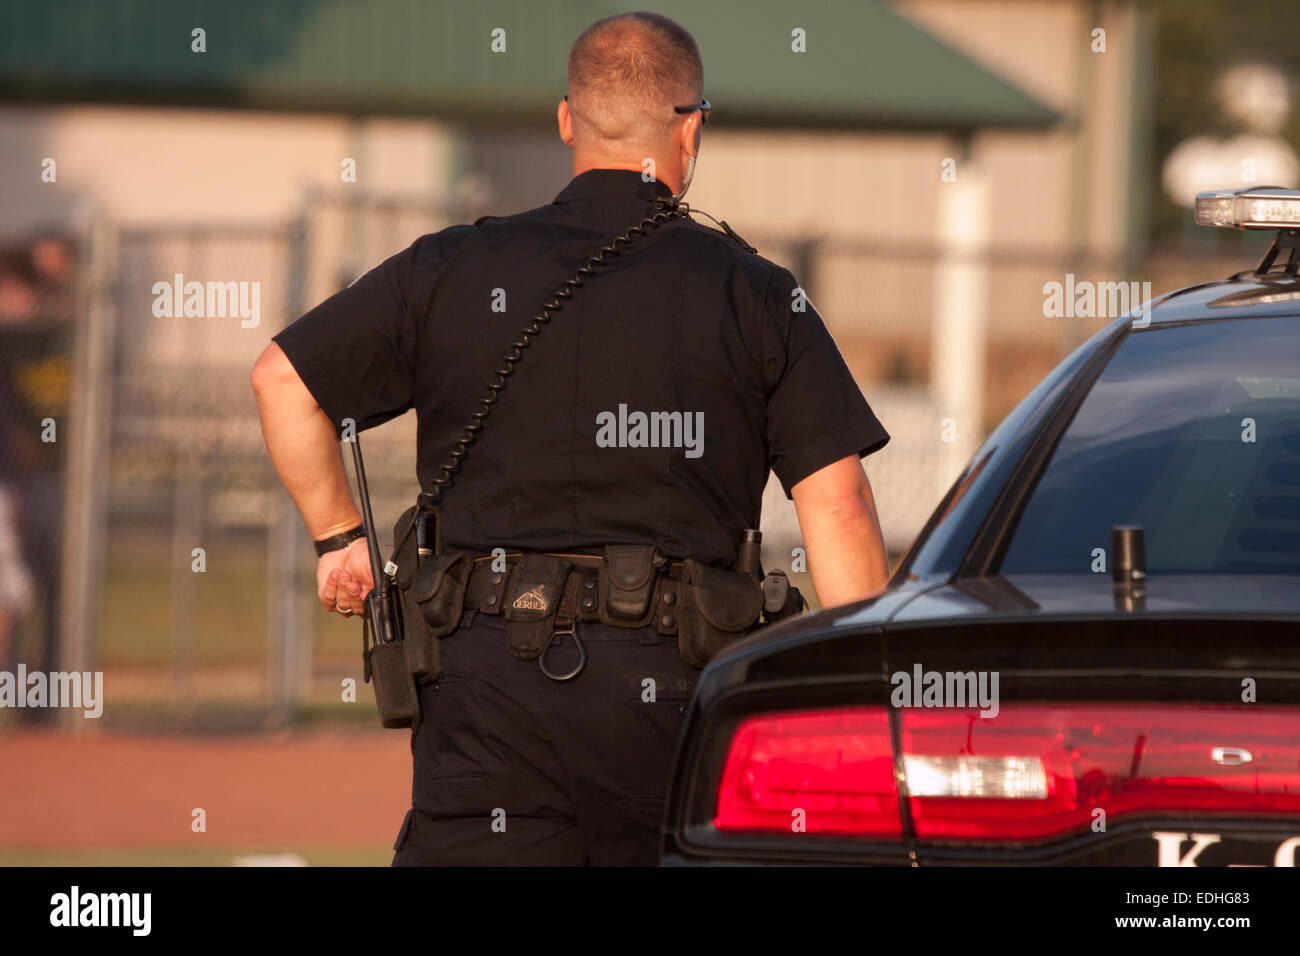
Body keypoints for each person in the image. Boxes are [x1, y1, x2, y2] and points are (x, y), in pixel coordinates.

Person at [252, 11, 890, 866]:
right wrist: (858, 707)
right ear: (691, 128)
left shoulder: (448, 269)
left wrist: (339, 539)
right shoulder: (760, 294)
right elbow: (839, 507)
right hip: (674, 694)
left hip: (484, 692)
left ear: (566, 121)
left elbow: (281, 378)